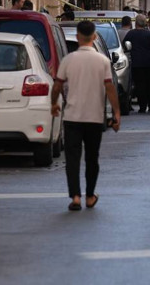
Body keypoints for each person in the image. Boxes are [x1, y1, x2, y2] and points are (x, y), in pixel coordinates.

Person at [51, 21, 121, 212]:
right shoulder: (103, 61)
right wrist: (116, 112)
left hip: (72, 117)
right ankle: (90, 196)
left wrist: (53, 105)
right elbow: (109, 87)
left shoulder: (68, 60)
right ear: (95, 37)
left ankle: (75, 196)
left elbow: (57, 85)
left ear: (78, 37)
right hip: (94, 117)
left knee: (72, 159)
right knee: (92, 158)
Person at [124, 14, 150, 113]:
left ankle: (142, 106)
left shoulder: (131, 34)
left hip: (137, 63)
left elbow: (125, 45)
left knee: (140, 85)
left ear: (136, 22)